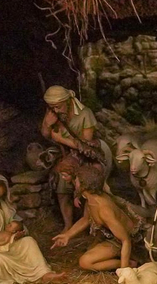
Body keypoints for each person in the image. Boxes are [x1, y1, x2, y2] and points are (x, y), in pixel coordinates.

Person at [40, 85, 107, 229]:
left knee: (89, 184)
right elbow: (46, 134)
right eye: (52, 107)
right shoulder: (53, 113)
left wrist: (60, 139)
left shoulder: (85, 114)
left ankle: (89, 221)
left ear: (68, 101)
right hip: (66, 156)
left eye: (58, 106)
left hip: (85, 156)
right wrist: (47, 123)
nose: (55, 110)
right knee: (61, 184)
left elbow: (86, 145)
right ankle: (68, 224)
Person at [50, 164, 137, 272]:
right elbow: (86, 219)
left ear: (83, 185)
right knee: (88, 254)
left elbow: (125, 240)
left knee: (85, 262)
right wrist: (67, 235)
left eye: (76, 180)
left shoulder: (104, 209)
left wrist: (125, 272)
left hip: (124, 241)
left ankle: (128, 264)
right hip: (111, 237)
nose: (74, 183)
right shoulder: (90, 199)